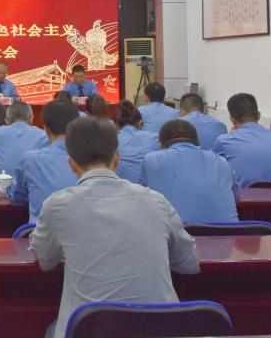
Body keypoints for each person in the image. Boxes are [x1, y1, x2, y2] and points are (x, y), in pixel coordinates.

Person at [29, 117, 199, 338]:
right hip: (160, 329)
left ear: (71, 165)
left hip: (89, 330)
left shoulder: (57, 205)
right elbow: (188, 262)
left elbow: (44, 260)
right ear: (117, 159)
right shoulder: (156, 201)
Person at [140, 120, 239, 223]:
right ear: (197, 142)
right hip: (227, 231)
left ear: (160, 146)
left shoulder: (151, 160)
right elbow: (236, 197)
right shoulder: (222, 161)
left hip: (174, 232)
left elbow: (141, 199)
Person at [9, 100, 80, 222]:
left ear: (45, 128)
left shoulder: (30, 160)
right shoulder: (89, 160)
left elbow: (16, 197)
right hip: (82, 231)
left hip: (40, 232)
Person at [212, 93, 271, 186]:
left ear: (232, 120)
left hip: (243, 195)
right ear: (258, 115)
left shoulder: (224, 141)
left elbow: (211, 172)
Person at [0, 101, 47, 188]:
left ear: (6, 120)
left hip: (2, 189)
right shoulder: (43, 135)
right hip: (31, 189)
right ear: (32, 119)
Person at [115, 100, 160, 183]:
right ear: (139, 122)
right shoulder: (155, 138)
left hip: (120, 187)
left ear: (116, 124)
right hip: (148, 188)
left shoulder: (112, 140)